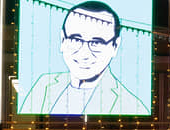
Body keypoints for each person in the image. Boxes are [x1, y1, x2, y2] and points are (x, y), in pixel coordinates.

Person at [21, 1, 149, 115]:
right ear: (62, 40)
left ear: (115, 46)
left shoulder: (131, 105)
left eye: (96, 43)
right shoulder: (43, 85)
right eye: (76, 39)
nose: (84, 53)